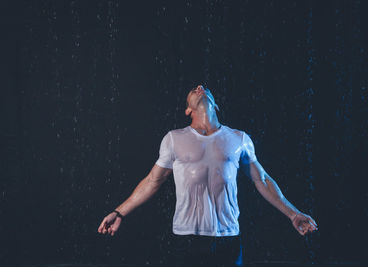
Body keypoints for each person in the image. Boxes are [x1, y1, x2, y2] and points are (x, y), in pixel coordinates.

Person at [98, 85, 318, 266]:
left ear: (216, 105)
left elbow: (262, 180)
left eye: (205, 88)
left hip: (227, 239)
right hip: (186, 240)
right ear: (187, 110)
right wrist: (120, 212)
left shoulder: (239, 139)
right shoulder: (174, 139)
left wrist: (293, 213)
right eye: (194, 89)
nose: (200, 87)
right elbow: (152, 181)